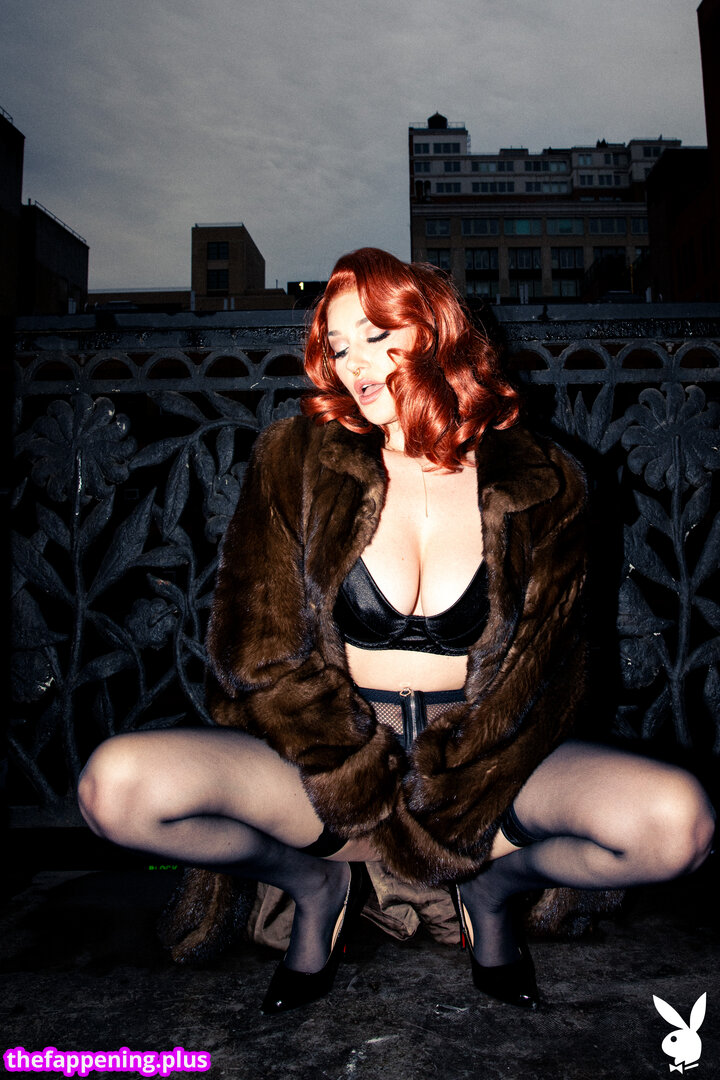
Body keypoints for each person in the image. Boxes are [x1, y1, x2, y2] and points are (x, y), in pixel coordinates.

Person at [78, 247, 715, 1014]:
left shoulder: (546, 481)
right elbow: (257, 651)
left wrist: (463, 789)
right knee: (115, 788)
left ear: (436, 332)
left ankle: (495, 890)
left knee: (677, 825)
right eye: (338, 346)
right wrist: (353, 778)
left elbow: (551, 674)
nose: (354, 363)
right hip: (332, 763)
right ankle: (313, 883)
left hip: (483, 767)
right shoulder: (297, 459)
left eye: (376, 336)